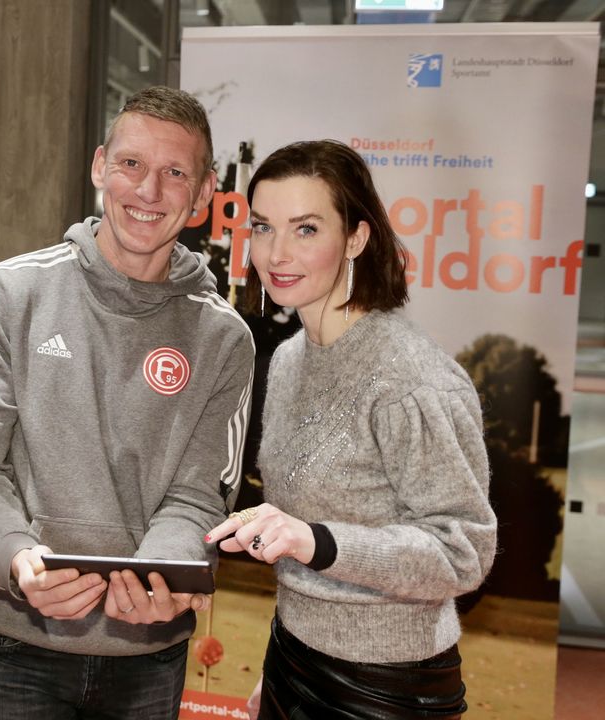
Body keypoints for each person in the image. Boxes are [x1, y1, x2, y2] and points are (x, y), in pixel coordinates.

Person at [0, 85, 256, 719]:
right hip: (13, 641)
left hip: (149, 654)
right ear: (99, 168)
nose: (148, 191)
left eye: (175, 174)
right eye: (131, 164)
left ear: (202, 198)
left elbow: (201, 496)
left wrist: (162, 575)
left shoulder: (226, 338)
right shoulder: (8, 294)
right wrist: (14, 556)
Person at [205, 139, 497, 719]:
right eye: (263, 227)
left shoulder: (411, 379)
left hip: (389, 689)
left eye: (306, 229)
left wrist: (314, 540)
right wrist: (282, 668)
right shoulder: (289, 361)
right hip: (292, 658)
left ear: (357, 238)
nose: (277, 252)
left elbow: (463, 552)